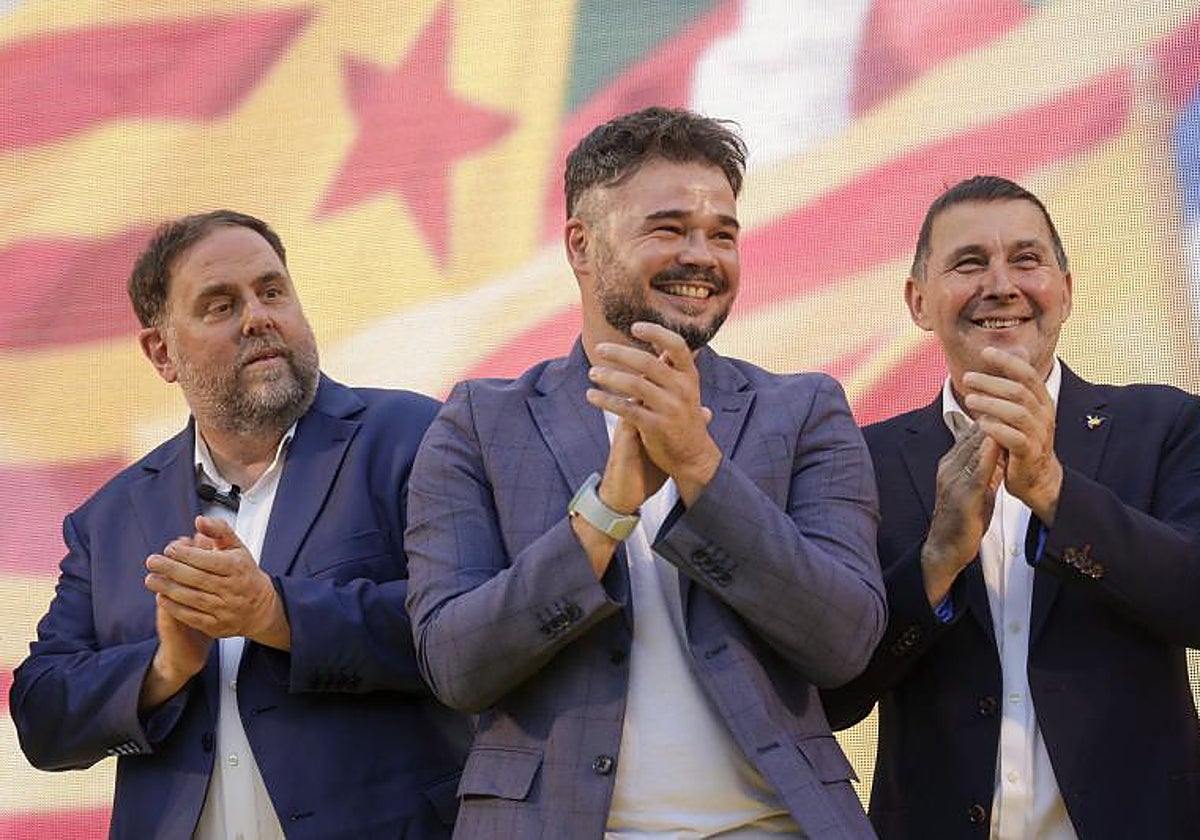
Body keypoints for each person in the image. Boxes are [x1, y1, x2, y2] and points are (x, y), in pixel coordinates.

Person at [403, 106, 886, 838]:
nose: (703, 255)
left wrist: (699, 468)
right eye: (668, 228)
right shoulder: (479, 421)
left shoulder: (805, 410)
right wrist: (605, 512)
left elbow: (845, 640)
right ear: (582, 246)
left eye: (722, 233)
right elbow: (456, 664)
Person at [10, 210, 469, 839]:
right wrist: (165, 668)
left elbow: (471, 633)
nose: (258, 317)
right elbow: (42, 716)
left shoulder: (414, 438)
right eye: (220, 305)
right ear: (162, 352)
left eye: (272, 290)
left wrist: (276, 615)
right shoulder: (109, 519)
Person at [821, 175, 1200, 838]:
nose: (1001, 284)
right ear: (918, 301)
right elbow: (833, 691)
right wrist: (937, 559)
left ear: (1066, 290)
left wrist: (1055, 492)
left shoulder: (1163, 423)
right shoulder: (863, 459)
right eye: (969, 264)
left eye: (1027, 260)